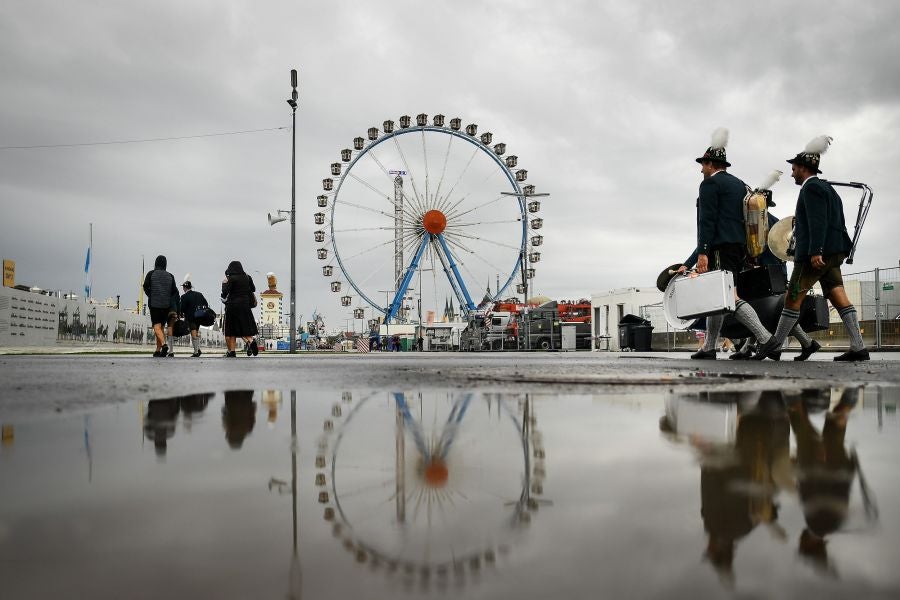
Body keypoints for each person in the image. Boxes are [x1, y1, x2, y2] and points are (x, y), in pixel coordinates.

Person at [753, 136, 868, 361]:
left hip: (813, 255)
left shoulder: (811, 188)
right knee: (837, 295)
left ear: (803, 168)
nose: (792, 174)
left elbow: (818, 221)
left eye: (794, 169)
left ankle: (775, 346)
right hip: (834, 252)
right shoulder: (827, 188)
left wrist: (816, 250)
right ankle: (858, 347)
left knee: (792, 297)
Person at [680, 128, 775, 360]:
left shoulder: (709, 185)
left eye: (703, 165)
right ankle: (709, 347)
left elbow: (707, 221)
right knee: (718, 297)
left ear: (710, 164)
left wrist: (703, 253)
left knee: (729, 296)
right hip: (739, 247)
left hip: (720, 248)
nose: (701, 169)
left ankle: (766, 338)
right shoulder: (740, 184)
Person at [731, 199, 821, 361]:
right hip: (775, 271)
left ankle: (806, 343)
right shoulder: (776, 222)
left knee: (769, 310)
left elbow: (760, 247)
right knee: (766, 310)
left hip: (767, 271)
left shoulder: (759, 221)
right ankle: (807, 344)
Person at [142, 255, 179, 357]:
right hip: (166, 305)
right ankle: (158, 350)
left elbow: (145, 286)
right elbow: (174, 291)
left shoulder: (151, 273)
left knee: (156, 326)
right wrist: (166, 296)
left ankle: (164, 345)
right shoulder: (170, 276)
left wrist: (151, 295)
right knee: (161, 327)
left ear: (156, 263)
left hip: (154, 304)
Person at [221, 260, 259, 358]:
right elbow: (253, 289)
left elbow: (225, 292)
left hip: (233, 306)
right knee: (244, 327)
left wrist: (224, 283)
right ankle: (251, 341)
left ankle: (232, 352)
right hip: (245, 306)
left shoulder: (231, 278)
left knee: (232, 330)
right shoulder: (247, 277)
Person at [179, 276, 210, 358]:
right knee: (196, 332)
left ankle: (196, 351)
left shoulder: (184, 297)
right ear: (191, 287)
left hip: (190, 318)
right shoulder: (199, 294)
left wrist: (181, 314)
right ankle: (198, 349)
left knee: (193, 332)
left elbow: (182, 308)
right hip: (200, 316)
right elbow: (206, 304)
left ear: (184, 288)